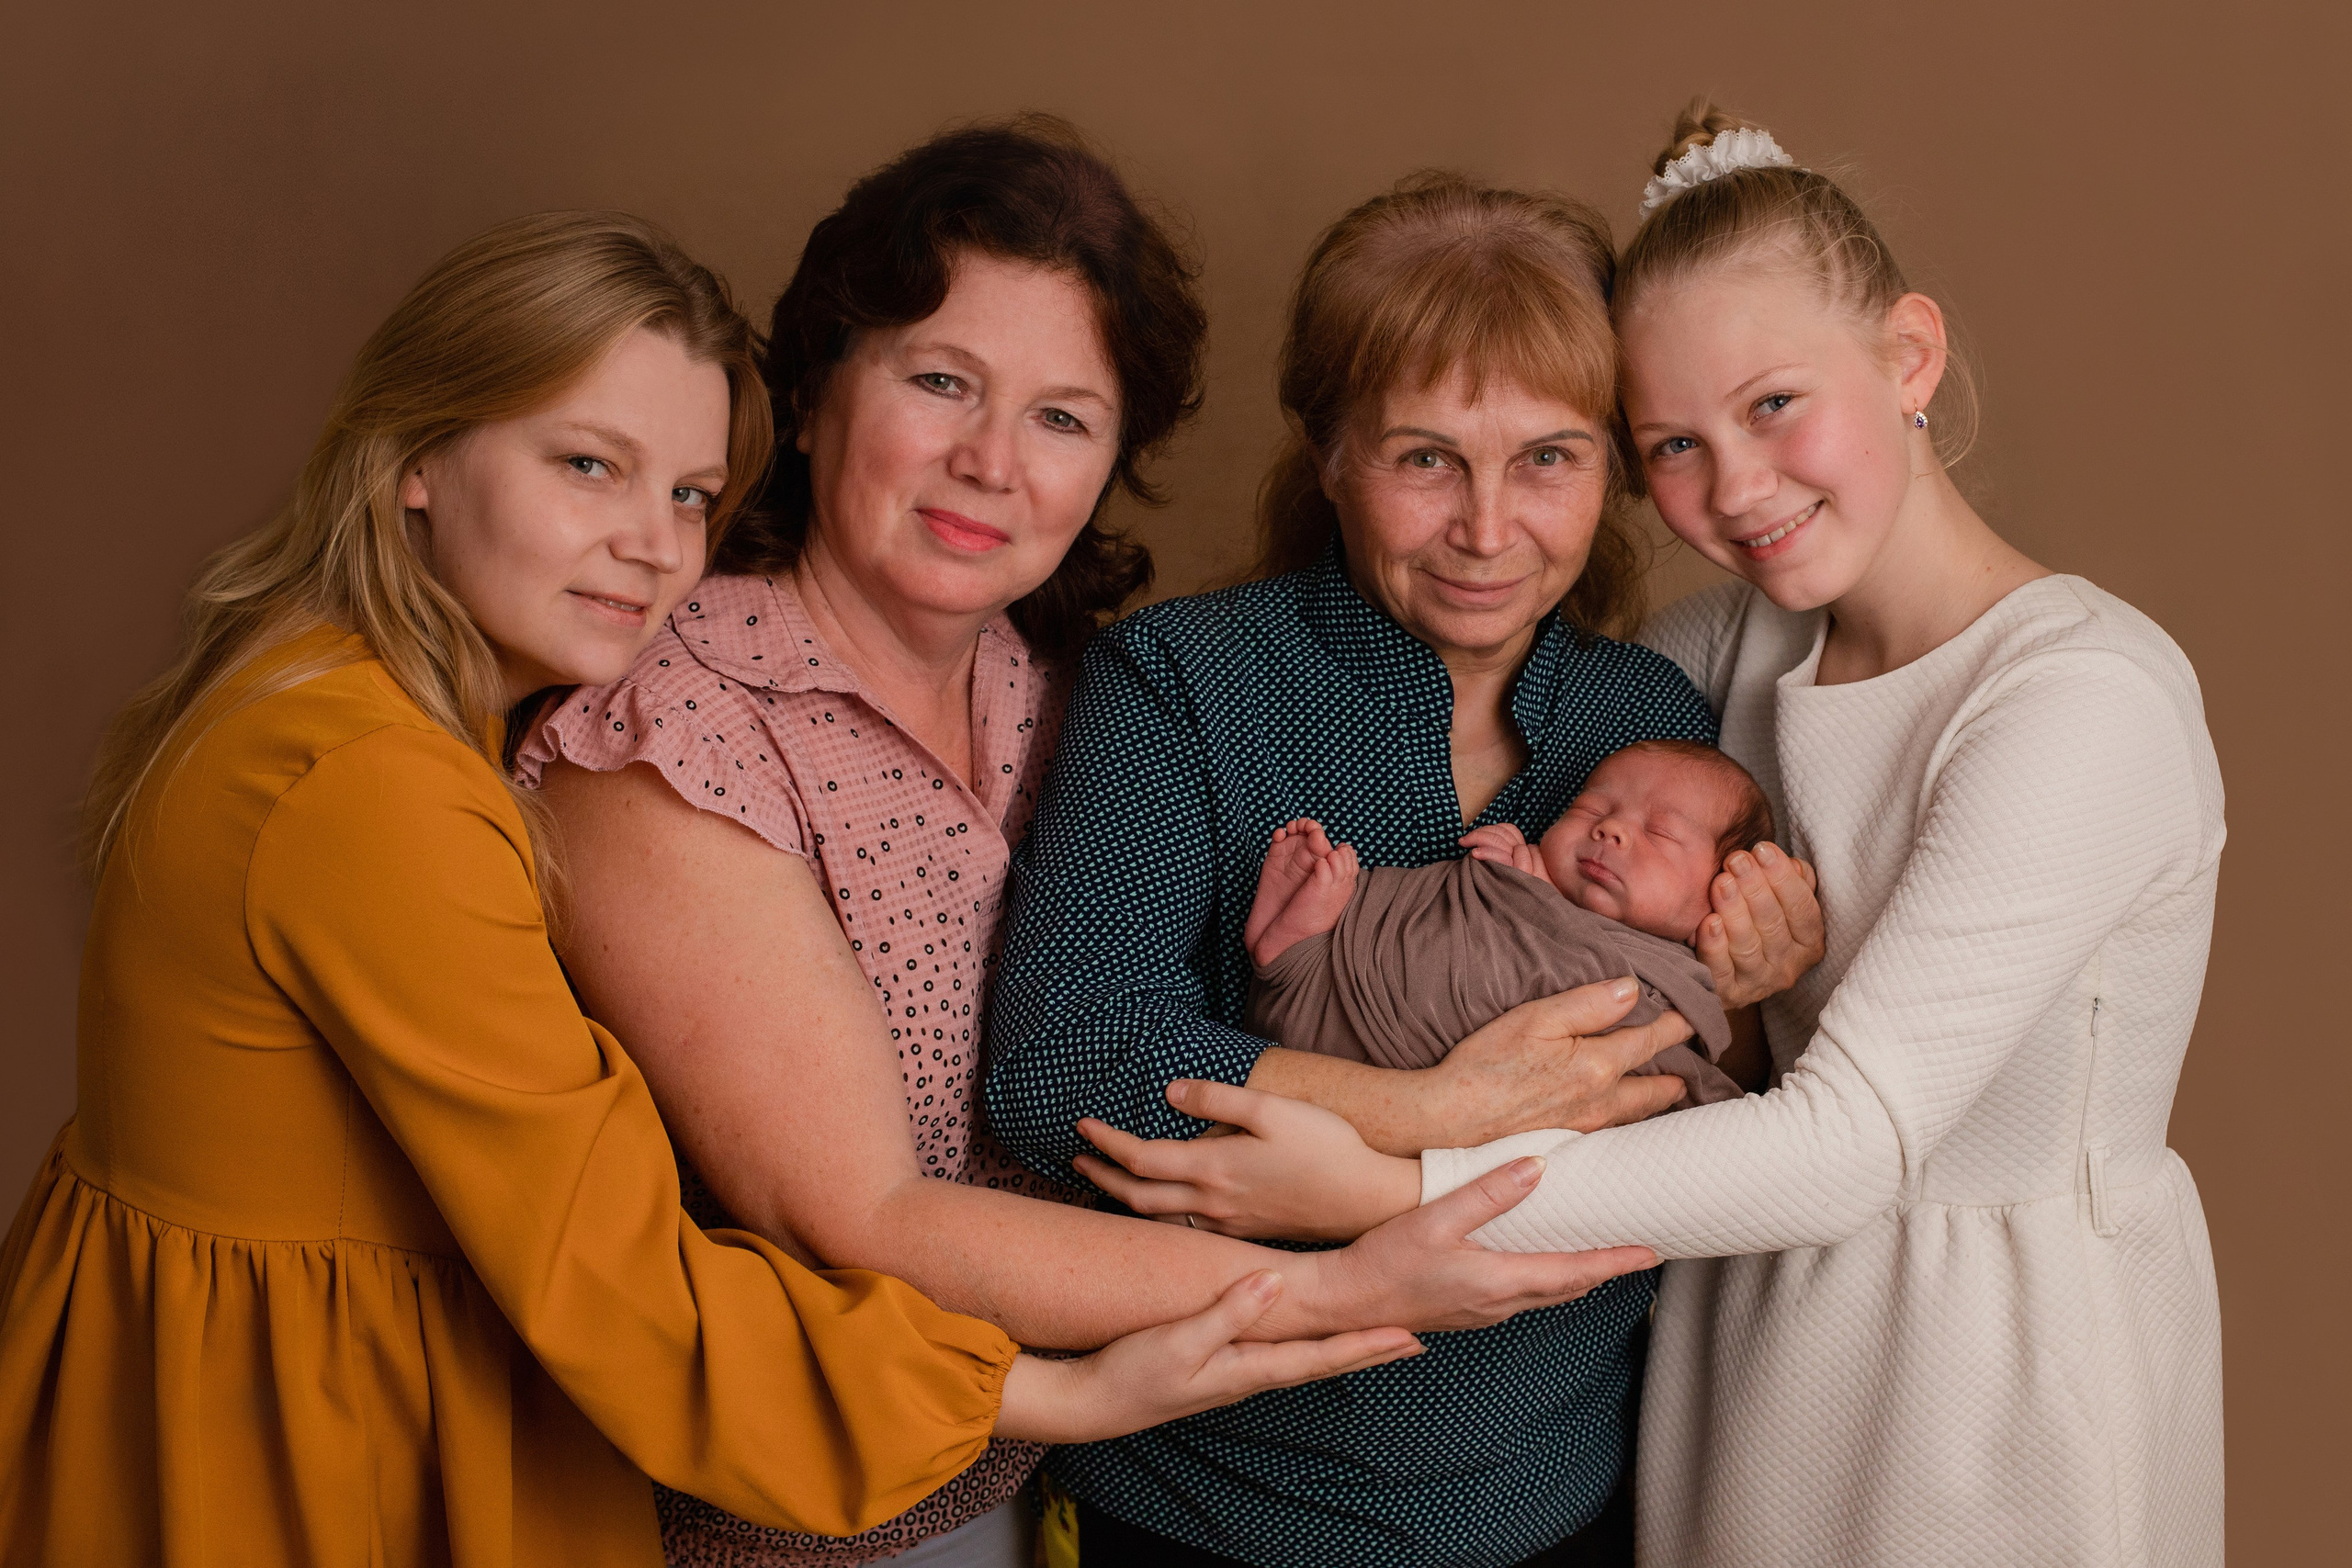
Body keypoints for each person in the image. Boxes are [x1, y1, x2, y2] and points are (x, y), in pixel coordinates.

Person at [0, 209, 1437, 1568]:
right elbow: (619, 1277)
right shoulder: (375, 782)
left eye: (687, 491)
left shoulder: (327, 693)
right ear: (415, 456)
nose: (653, 542)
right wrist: (1061, 1391)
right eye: (588, 465)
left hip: (254, 1381)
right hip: (310, 1443)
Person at [1073, 107, 2226, 1568]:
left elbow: (1848, 1131)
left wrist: (1390, 1186)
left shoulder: (2078, 701)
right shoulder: (1710, 652)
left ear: (1909, 359)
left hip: (1979, 1358)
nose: (1735, 489)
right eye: (1674, 441)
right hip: (1727, 1336)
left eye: (1773, 406)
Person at [523, 126, 1648, 1568]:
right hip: (796, 1508)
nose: (992, 461)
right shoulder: (674, 730)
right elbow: (878, 1203)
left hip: (1018, 1474)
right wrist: (1382, 1209)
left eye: (1064, 417)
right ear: (806, 394)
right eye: (941, 381)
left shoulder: (1037, 677)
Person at [985, 174, 1824, 1568]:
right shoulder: (1186, 680)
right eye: (1426, 459)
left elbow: (1708, 1115)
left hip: (1563, 1495)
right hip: (1208, 1498)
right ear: (1328, 451)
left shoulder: (1652, 726)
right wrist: (1424, 1111)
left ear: (1611, 463)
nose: (1489, 530)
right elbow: (1062, 1061)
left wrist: (1753, 990)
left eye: (1548, 458)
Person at [1239, 739, 1776, 1109]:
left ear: (1721, 898)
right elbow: (1458, 904)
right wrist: (1515, 881)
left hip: (1433, 1099)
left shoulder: (1673, 980)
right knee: (1385, 899)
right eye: (1590, 810)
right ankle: (1298, 953)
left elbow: (1687, 1080)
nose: (1610, 829)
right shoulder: (1521, 873)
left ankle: (1295, 962)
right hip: (1347, 1003)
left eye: (1660, 834)